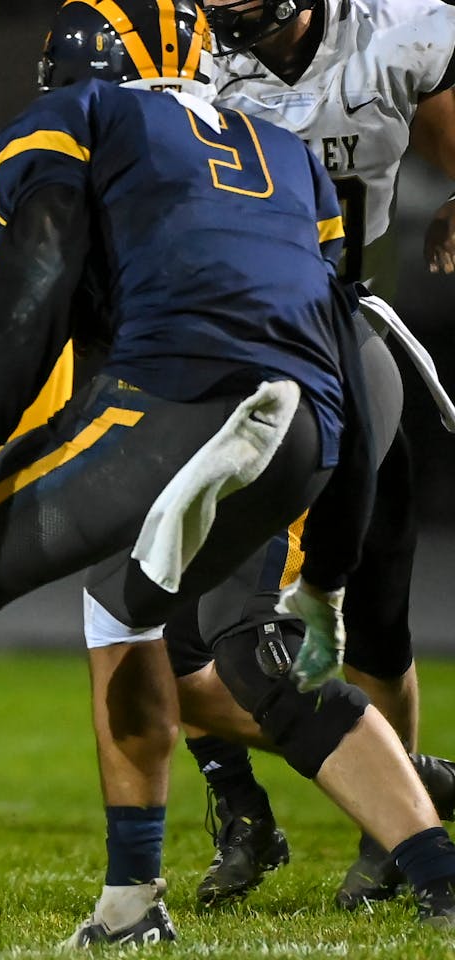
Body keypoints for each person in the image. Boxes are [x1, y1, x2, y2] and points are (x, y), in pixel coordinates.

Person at [0, 2, 455, 947]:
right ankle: (185, 892)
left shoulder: (63, 130)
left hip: (177, 393)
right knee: (160, 622)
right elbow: (338, 333)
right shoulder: (281, 150)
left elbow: (32, 302)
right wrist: (326, 574)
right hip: (324, 400)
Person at [177, 0, 455, 909]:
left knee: (377, 609)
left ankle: (392, 829)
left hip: (356, 343)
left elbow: (445, 103)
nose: (225, 22)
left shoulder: (395, 32)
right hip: (236, 370)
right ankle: (390, 796)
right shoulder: (181, 64)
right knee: (199, 637)